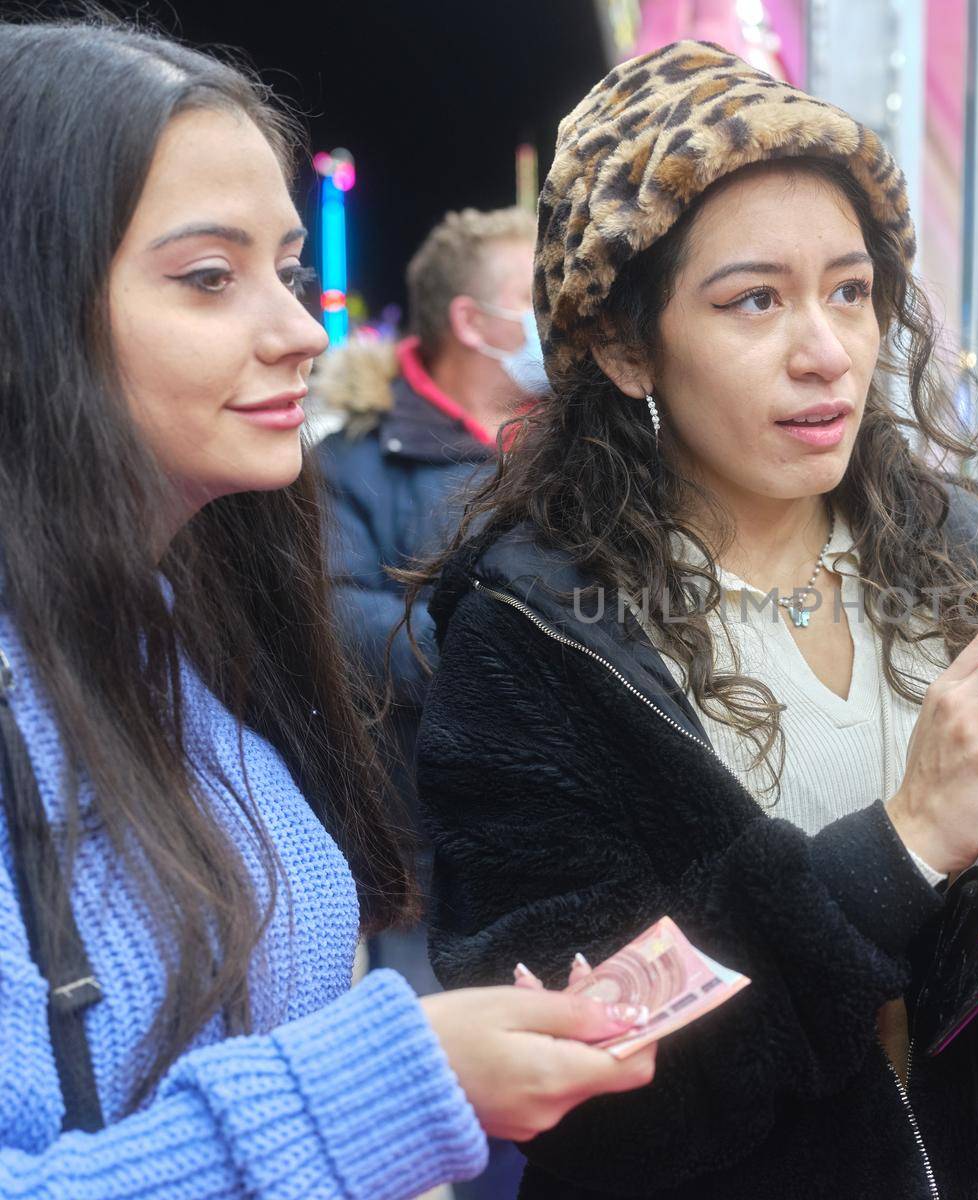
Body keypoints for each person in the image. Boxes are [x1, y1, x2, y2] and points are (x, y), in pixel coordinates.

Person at [411, 41, 978, 1200]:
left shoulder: (964, 555)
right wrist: (904, 844)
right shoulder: (545, 636)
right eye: (753, 301)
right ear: (627, 345)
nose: (825, 352)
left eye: (849, 291)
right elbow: (590, 1091)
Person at [0, 20, 653, 1198]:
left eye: (288, 271)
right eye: (209, 278)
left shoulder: (177, 617)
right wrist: (390, 1090)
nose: (300, 329)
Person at [315, 204, 544, 782]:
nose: (560, 313)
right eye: (537, 293)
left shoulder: (592, 439)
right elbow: (335, 624)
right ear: (470, 322)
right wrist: (519, 647)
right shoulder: (348, 459)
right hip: (437, 809)